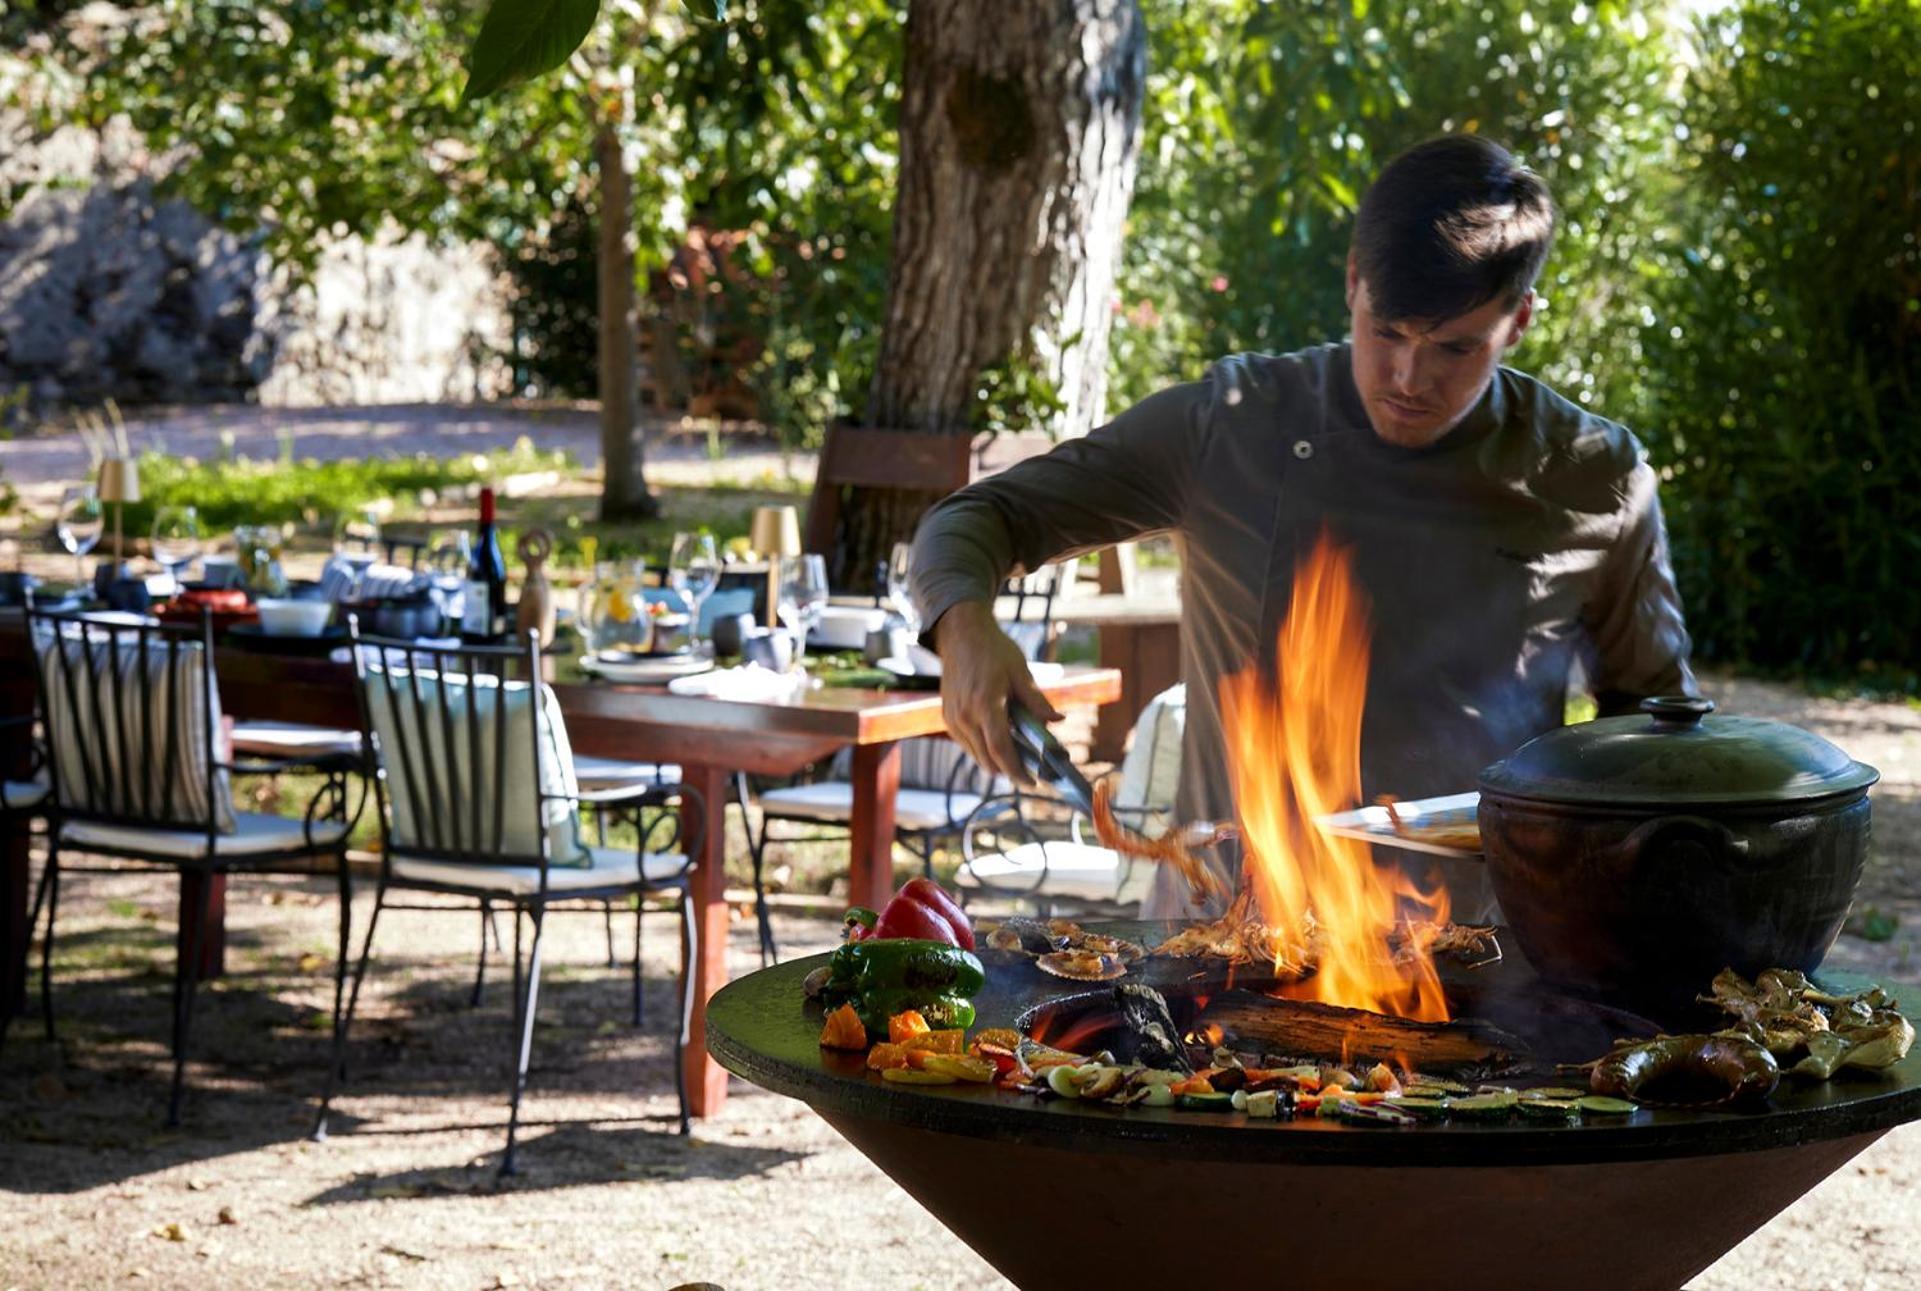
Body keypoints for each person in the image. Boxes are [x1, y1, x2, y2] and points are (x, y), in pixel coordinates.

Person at [908, 134, 1696, 921]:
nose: (1408, 378)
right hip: (1220, 952)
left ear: (1517, 320)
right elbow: (978, 517)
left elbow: (1656, 733)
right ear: (1352, 283)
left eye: (1455, 347)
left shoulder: (1589, 473)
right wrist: (962, 626)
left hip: (1474, 965)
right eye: (1386, 330)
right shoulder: (1233, 426)